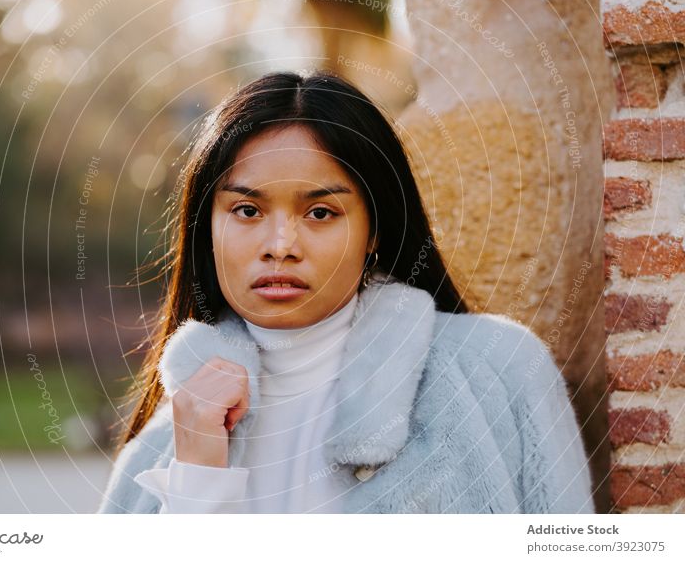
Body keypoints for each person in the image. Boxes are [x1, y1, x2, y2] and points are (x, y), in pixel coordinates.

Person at [96, 69, 594, 514]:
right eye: (247, 211)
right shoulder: (164, 445)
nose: (280, 246)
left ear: (374, 229)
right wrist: (198, 484)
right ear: (207, 227)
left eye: (320, 213)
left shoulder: (496, 372)